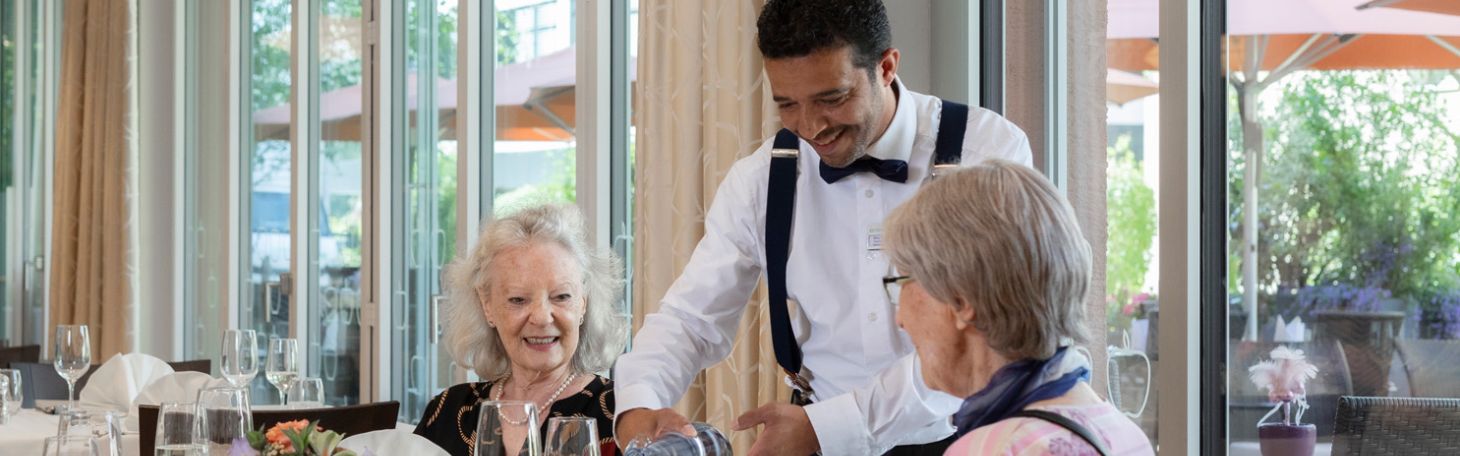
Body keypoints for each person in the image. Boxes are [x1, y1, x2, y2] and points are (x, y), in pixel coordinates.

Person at [612, 0, 1032, 454]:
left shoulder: (988, 152)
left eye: (832, 98)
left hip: (970, 438)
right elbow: (690, 319)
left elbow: (983, 337)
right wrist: (638, 404)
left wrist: (826, 427)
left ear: (886, 67)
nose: (811, 127)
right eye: (787, 104)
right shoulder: (761, 180)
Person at [883, 161, 1153, 455]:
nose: (900, 319)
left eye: (903, 280)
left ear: (961, 301)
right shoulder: (1124, 435)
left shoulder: (993, 449)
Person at [416, 204, 627, 456]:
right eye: (518, 300)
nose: (541, 317)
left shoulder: (623, 414)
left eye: (561, 296)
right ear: (488, 306)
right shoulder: (447, 412)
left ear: (583, 303)